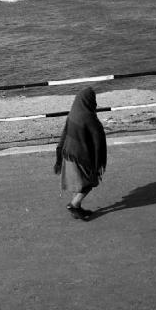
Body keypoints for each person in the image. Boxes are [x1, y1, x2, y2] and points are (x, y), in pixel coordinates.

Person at [53, 86, 107, 220]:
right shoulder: (89, 117)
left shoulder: (73, 113)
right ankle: (73, 205)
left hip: (69, 155)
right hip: (81, 157)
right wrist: (97, 161)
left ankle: (77, 208)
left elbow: (65, 134)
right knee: (89, 182)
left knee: (79, 183)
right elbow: (97, 139)